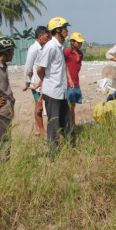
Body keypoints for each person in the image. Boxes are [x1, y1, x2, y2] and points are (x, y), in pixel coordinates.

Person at [36, 17, 74, 160]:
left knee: (67, 123)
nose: (67, 30)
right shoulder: (51, 47)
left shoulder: (59, 47)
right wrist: (44, 81)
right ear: (58, 30)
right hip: (52, 92)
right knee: (53, 124)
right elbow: (40, 68)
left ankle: (71, 152)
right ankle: (53, 156)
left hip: (61, 91)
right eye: (65, 28)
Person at [23, 26, 50, 139]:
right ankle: (41, 129)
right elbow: (28, 66)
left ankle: (38, 128)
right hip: (36, 82)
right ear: (40, 36)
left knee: (38, 105)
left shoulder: (43, 47)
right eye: (46, 36)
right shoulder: (34, 49)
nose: (48, 39)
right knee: (39, 106)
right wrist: (27, 82)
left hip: (41, 82)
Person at [0, 36, 16, 161]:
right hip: (1, 111)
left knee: (5, 138)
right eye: (12, 50)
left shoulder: (2, 65)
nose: (13, 53)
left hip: (5, 110)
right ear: (5, 51)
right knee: (0, 140)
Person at [64, 32, 85, 128]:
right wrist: (69, 79)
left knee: (73, 105)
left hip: (76, 82)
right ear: (72, 42)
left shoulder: (80, 54)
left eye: (81, 43)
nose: (80, 44)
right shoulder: (67, 52)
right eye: (78, 42)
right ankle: (70, 125)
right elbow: (64, 66)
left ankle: (72, 124)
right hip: (68, 82)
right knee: (69, 105)